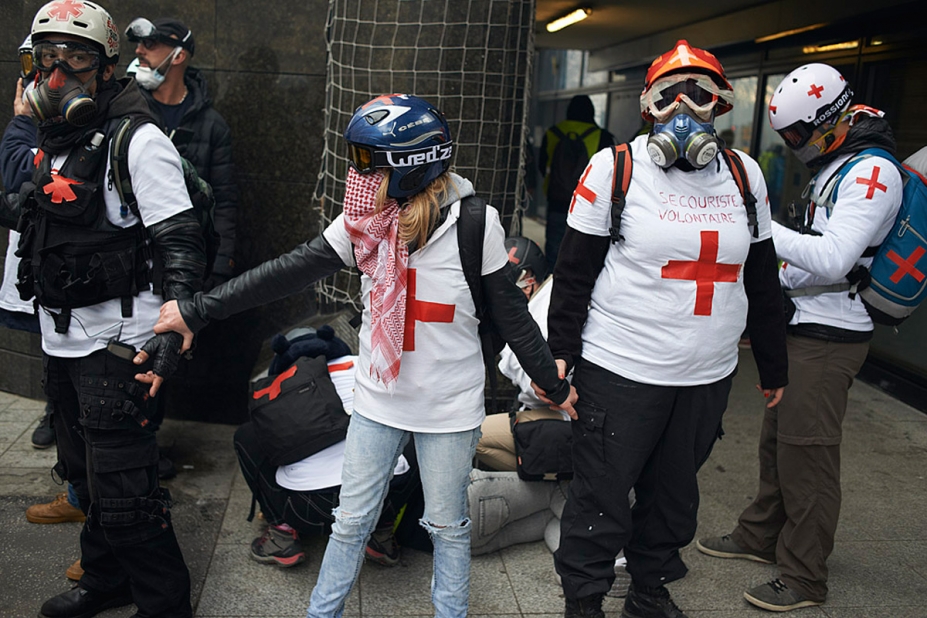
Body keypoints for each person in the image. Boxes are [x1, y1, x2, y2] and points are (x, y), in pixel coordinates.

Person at [144, 93, 577, 618]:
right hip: (378, 402)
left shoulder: (474, 223)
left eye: (370, 162)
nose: (359, 174)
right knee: (349, 522)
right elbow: (285, 271)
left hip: (449, 409)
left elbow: (512, 314)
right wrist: (197, 310)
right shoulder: (364, 222)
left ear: (413, 164)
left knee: (448, 529)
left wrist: (553, 386)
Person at [546, 40, 788, 618]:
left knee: (674, 496)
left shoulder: (742, 173)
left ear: (719, 107)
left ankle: (649, 591)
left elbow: (760, 272)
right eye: (668, 94)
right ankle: (583, 602)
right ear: (648, 106)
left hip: (706, 375)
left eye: (700, 94)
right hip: (621, 370)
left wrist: (774, 364)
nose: (685, 106)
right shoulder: (615, 166)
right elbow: (573, 272)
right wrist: (557, 355)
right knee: (600, 497)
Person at [0, 2, 205, 616]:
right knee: (83, 475)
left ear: (107, 68)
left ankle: (164, 603)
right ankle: (105, 580)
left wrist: (176, 326)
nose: (60, 76)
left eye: (78, 58)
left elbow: (180, 239)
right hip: (63, 337)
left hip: (123, 341)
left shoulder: (136, 140)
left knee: (125, 491)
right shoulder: (52, 137)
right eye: (47, 59)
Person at [696, 63, 904, 612]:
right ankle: (762, 535)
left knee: (807, 458)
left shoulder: (871, 174)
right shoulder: (842, 163)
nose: (793, 146)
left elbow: (835, 256)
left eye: (796, 135)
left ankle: (806, 577)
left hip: (832, 335)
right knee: (777, 444)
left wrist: (760, 224)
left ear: (829, 120)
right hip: (806, 322)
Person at [235, 325, 420, 568]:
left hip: (305, 510)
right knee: (421, 435)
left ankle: (281, 535)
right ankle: (382, 535)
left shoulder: (276, 386)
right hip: (377, 502)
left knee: (247, 434)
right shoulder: (363, 365)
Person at [124, 16, 238, 289]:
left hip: (189, 267)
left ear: (178, 56)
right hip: (131, 266)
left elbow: (223, 202)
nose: (139, 51)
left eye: (150, 44)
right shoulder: (125, 111)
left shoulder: (212, 125)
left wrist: (220, 267)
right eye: (139, 44)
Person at [538, 95, 615, 269]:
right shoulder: (602, 136)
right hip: (588, 205)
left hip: (556, 201)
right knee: (582, 251)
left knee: (553, 249)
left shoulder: (553, 132)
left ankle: (550, 286)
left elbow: (542, 166)